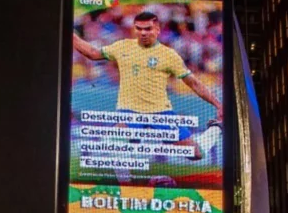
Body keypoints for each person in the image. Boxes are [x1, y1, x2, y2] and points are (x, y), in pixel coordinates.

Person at [72, 11, 224, 184]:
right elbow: (92, 52)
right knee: (113, 141)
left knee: (196, 154)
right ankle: (128, 189)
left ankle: (216, 128)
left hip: (160, 113)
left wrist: (218, 104)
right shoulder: (123, 47)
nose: (143, 33)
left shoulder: (169, 55)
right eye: (139, 29)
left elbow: (194, 83)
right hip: (130, 112)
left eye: (148, 29)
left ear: (157, 29)